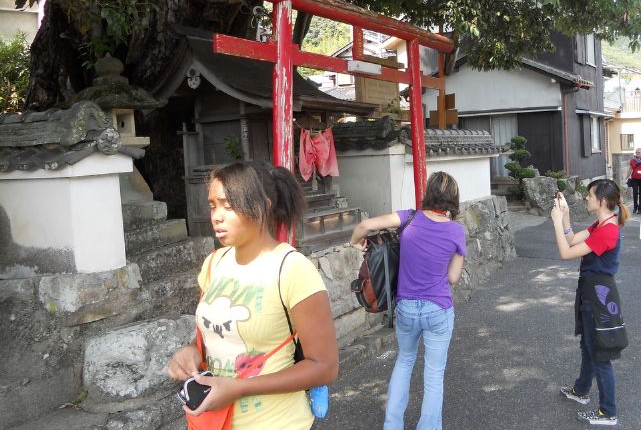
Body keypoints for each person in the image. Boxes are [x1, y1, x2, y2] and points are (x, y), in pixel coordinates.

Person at [167, 161, 339, 430]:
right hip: (212, 422)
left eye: (228, 205)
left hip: (278, 423)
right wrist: (190, 351)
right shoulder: (214, 263)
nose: (216, 216)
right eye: (213, 205)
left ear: (263, 206)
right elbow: (216, 334)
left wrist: (238, 388)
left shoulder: (292, 268)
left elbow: (325, 366)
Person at [350, 171, 466, 430]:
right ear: (453, 200)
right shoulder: (456, 231)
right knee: (434, 374)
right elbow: (453, 277)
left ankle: (392, 425)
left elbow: (366, 225)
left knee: (404, 361)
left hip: (406, 308)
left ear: (429, 193)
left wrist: (354, 241)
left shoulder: (408, 218)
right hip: (438, 309)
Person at [552, 179, 630, 427]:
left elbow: (566, 253)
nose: (586, 198)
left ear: (603, 201)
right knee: (589, 346)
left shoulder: (608, 230)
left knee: (600, 354)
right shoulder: (603, 223)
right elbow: (573, 238)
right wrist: (564, 216)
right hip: (592, 292)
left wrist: (555, 222)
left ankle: (608, 412)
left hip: (598, 296)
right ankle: (581, 390)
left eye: (590, 195)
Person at [626, 148, 641, 214]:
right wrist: (627, 177)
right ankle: (635, 207)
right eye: (637, 152)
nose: (638, 153)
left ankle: (640, 208)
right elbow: (630, 169)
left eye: (639, 152)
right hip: (634, 179)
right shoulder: (632, 161)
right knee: (635, 193)